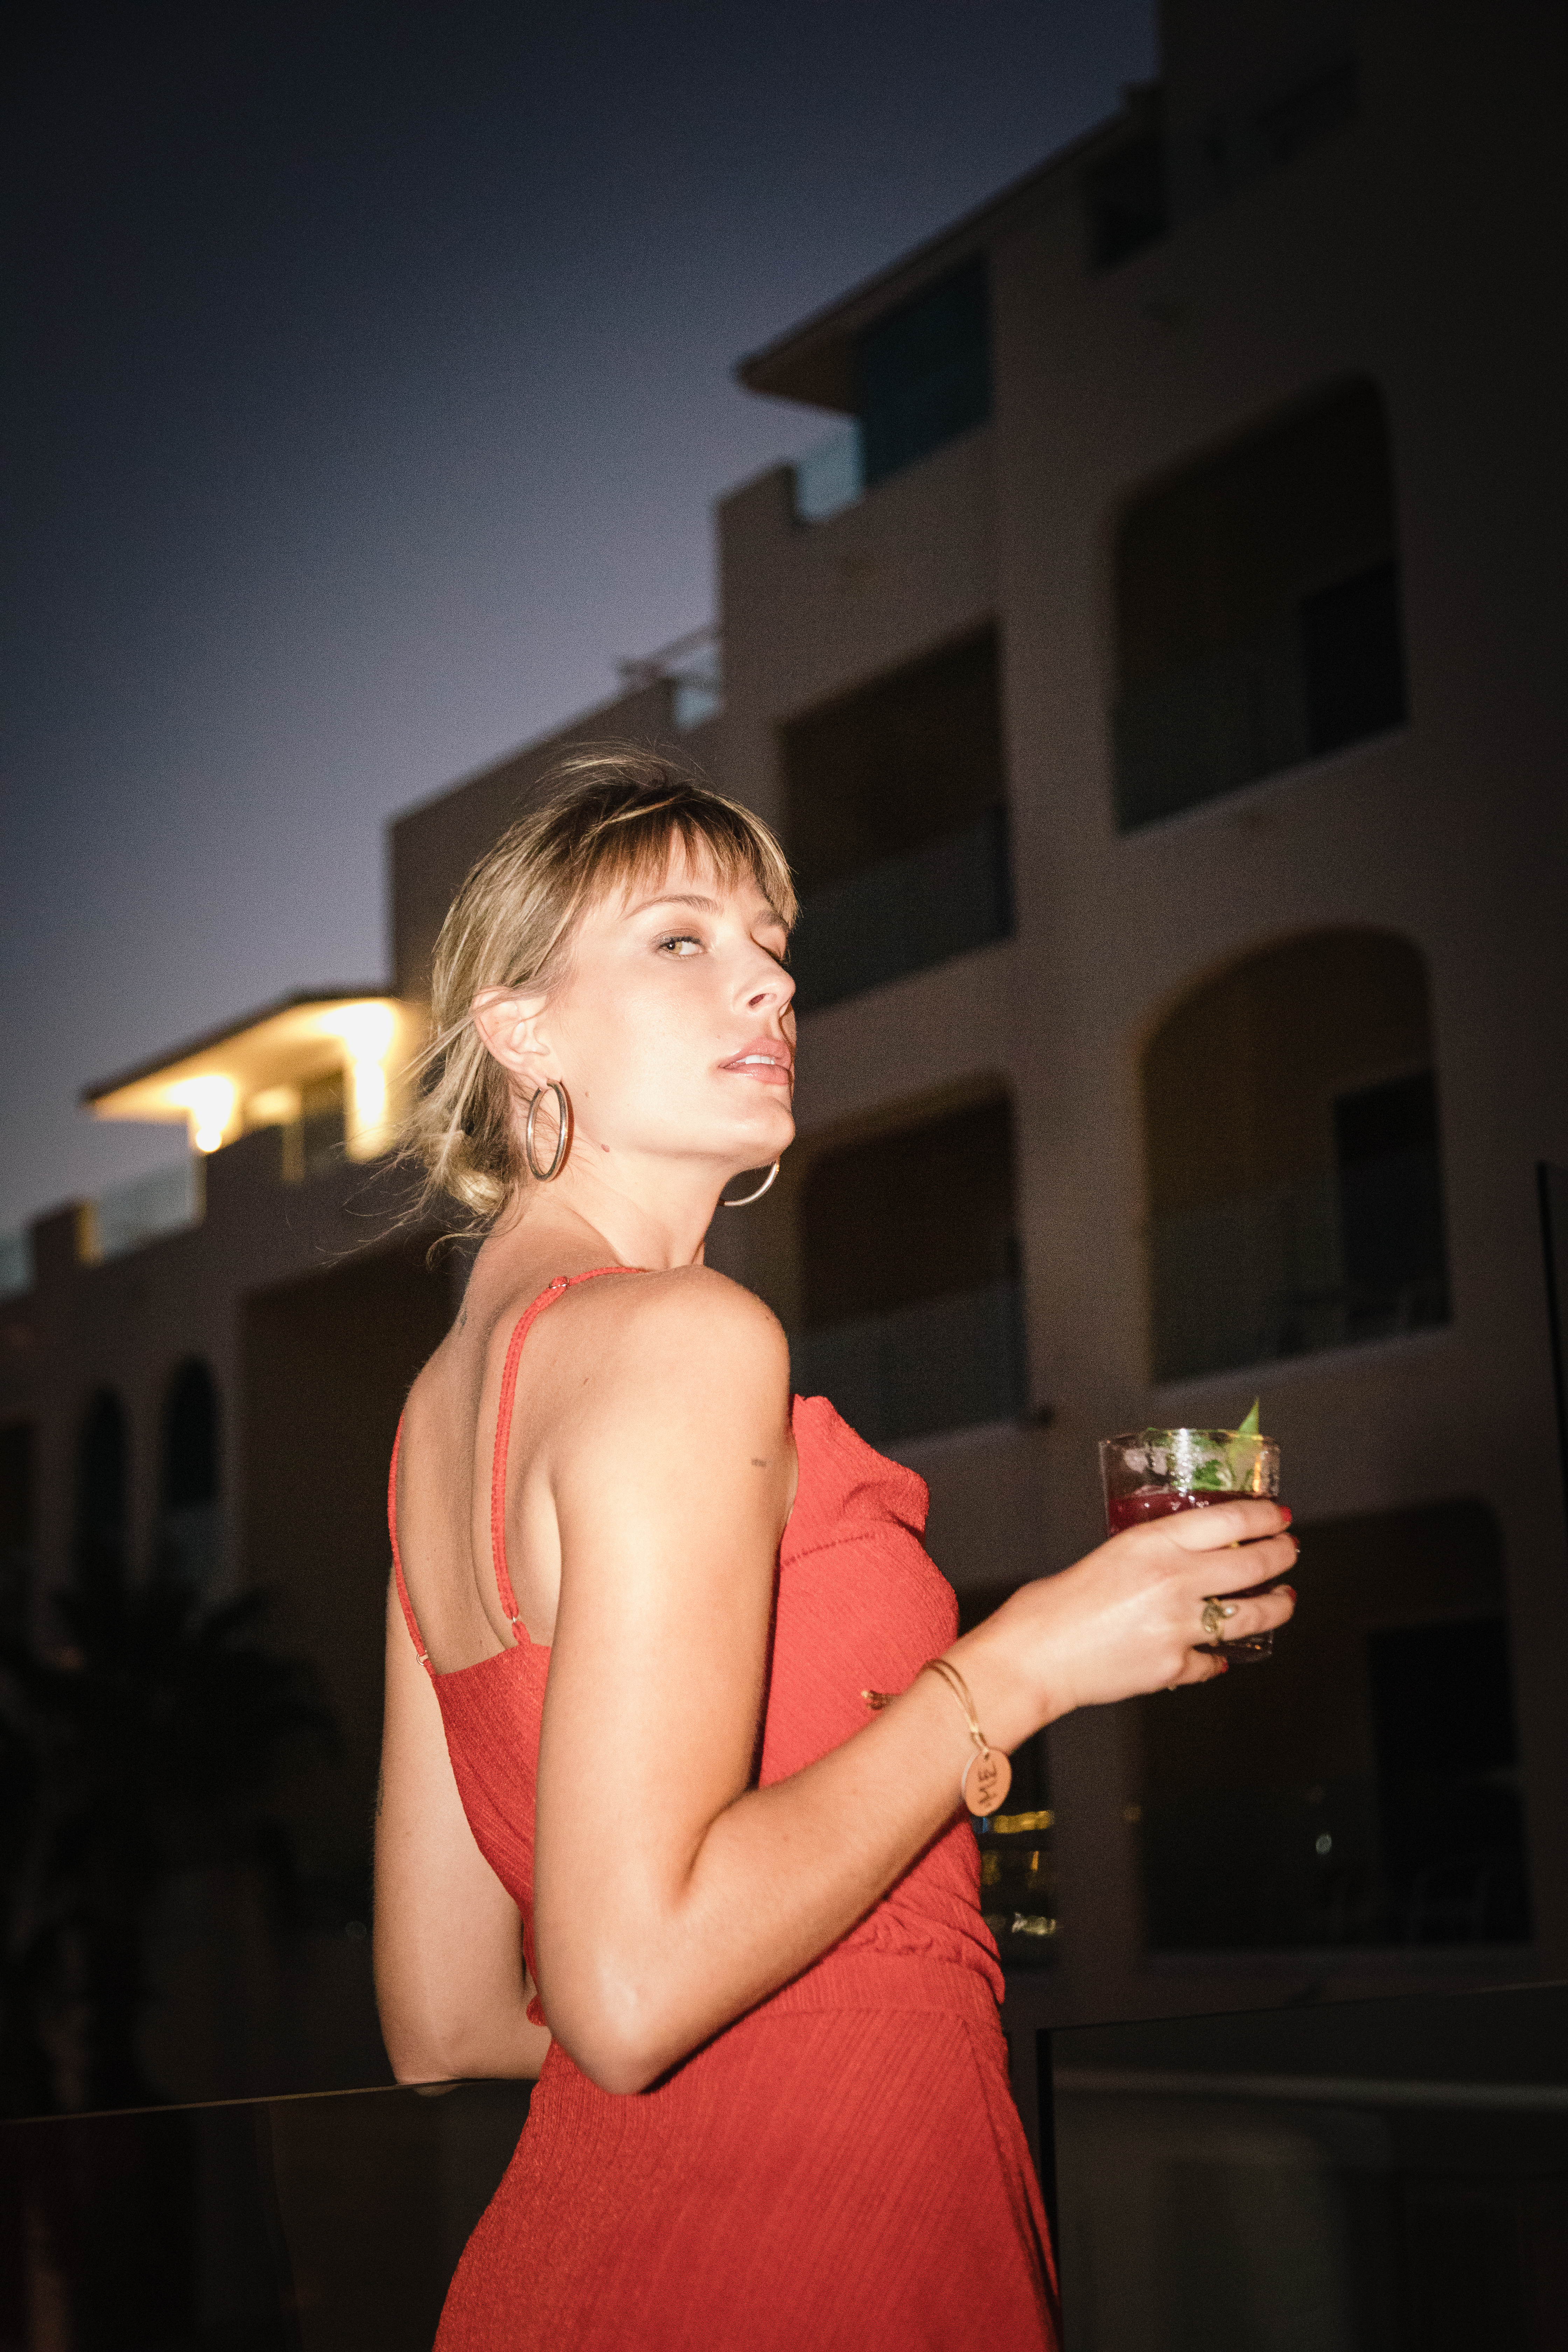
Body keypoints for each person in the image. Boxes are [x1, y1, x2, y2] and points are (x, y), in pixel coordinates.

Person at [373, 749, 1297, 2350]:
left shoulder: (441, 1411)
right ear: (519, 1029)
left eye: (773, 948)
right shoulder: (681, 1339)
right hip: (809, 2260)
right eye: (683, 940)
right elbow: (632, 1985)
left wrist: (783, 1976)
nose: (770, 983)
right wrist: (1023, 1666)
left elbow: (447, 2018)